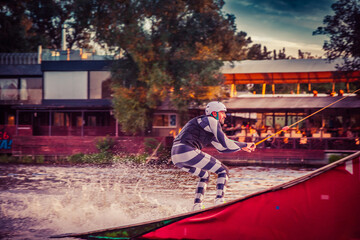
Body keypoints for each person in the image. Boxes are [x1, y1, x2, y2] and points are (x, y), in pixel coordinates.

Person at [171, 101, 256, 211]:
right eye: (222, 113)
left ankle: (197, 206)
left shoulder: (206, 126)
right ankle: (219, 202)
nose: (225, 116)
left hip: (175, 155)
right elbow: (225, 142)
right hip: (187, 150)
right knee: (223, 171)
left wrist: (240, 147)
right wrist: (244, 144)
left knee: (204, 175)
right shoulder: (211, 120)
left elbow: (222, 148)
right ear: (214, 113)